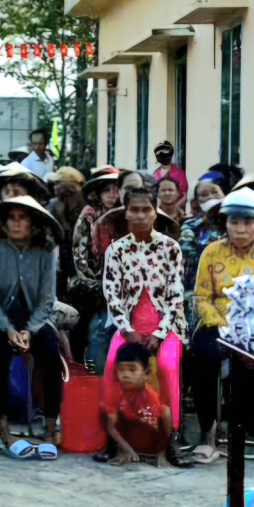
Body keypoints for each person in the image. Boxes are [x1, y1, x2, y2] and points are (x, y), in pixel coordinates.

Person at [188, 187, 254, 464]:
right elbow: (202, 296)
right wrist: (220, 325)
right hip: (217, 322)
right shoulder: (211, 251)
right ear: (225, 223)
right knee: (201, 355)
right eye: (235, 221)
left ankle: (250, 432)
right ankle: (207, 434)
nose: (241, 228)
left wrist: (250, 328)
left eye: (248, 221)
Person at [101, 187, 186, 455]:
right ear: (125, 213)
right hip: (129, 328)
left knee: (166, 366)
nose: (140, 215)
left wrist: (160, 333)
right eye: (134, 210)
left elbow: (176, 296)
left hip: (167, 327)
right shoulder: (116, 250)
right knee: (114, 364)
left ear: (155, 212)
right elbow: (112, 295)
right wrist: (126, 331)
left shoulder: (171, 248)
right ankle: (112, 436)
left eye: (145, 210)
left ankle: (169, 435)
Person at [0, 194, 65, 456]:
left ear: (32, 223)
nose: (16, 223)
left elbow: (48, 298)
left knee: (50, 351)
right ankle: (4, 429)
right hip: (2, 319)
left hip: (35, 319)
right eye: (11, 219)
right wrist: (8, 329)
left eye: (22, 217)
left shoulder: (46, 251)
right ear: (3, 225)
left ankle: (50, 426)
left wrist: (30, 329)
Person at [67, 167, 124, 367]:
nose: (112, 194)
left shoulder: (124, 214)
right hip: (93, 284)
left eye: (116, 190)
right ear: (98, 192)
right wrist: (95, 282)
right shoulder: (89, 214)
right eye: (107, 190)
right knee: (93, 329)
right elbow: (79, 253)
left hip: (121, 284)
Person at [101, 340, 174, 468]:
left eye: (132, 370)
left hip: (149, 437)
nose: (126, 375)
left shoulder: (151, 396)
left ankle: (162, 455)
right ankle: (121, 452)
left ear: (146, 373)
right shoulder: (114, 392)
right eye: (121, 370)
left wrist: (161, 453)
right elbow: (111, 426)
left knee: (165, 411)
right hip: (126, 440)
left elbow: (159, 429)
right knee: (104, 411)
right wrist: (127, 449)